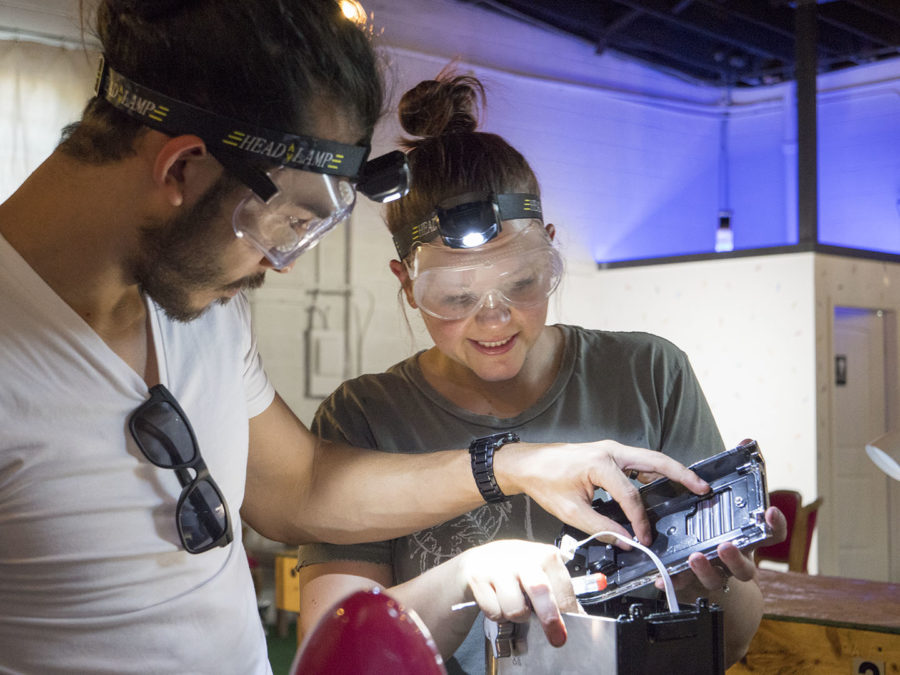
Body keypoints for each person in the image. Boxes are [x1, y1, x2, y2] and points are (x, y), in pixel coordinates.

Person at [0, 2, 718, 673]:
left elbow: (301, 485)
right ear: (182, 169)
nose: (273, 266)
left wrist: (514, 466)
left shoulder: (196, 303)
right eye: (282, 225)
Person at [296, 70, 786, 672]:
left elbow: (732, 641)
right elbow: (333, 657)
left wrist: (705, 586)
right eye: (455, 298)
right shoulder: (364, 419)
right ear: (407, 285)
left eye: (523, 283)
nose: (494, 320)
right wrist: (466, 576)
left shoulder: (648, 374)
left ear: (550, 248)